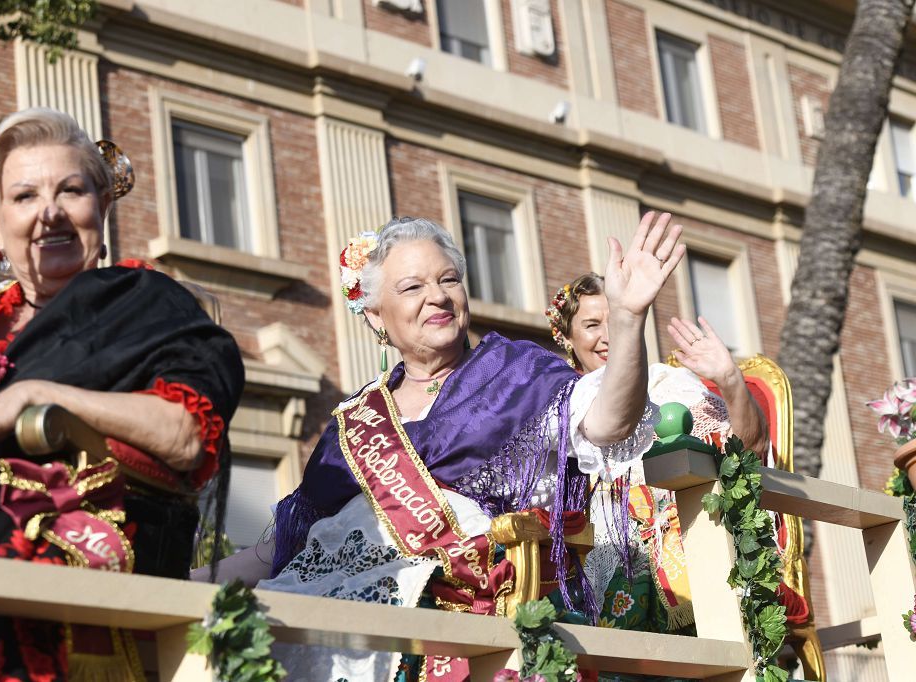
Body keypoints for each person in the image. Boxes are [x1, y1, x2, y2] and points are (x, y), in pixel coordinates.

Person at [204, 213, 685, 681]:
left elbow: (610, 423)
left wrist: (626, 321)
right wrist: (187, 581)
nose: (437, 296)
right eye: (412, 287)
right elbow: (283, 549)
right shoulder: (354, 422)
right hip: (331, 611)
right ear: (376, 314)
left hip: (476, 617)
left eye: (449, 280)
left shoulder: (517, 374)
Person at [0, 104, 244, 679]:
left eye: (72, 191)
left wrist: (36, 395)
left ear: (101, 207)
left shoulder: (145, 302)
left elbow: (185, 437)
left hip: (67, 547)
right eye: (25, 196)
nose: (49, 213)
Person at [545, 272, 768, 654]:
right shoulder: (554, 397)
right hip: (583, 544)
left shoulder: (667, 382)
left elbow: (749, 450)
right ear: (565, 337)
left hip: (677, 531)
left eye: (617, 321)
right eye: (592, 325)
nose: (608, 336)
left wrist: (730, 380)